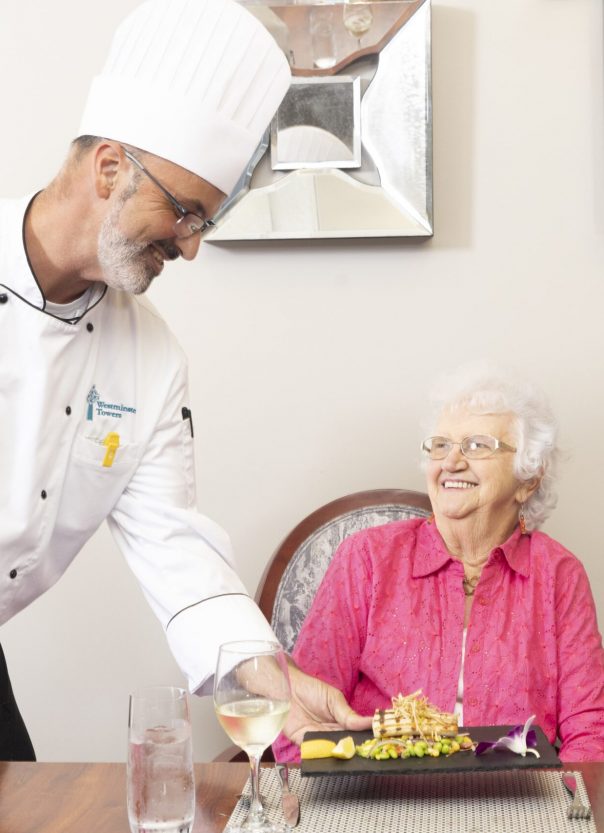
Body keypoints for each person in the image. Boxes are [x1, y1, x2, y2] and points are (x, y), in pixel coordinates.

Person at [0, 0, 370, 760]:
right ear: (109, 168)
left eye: (204, 222)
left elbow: (174, 542)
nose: (192, 247)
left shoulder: (151, 358)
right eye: (185, 212)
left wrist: (273, 679)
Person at [274, 365, 604, 762]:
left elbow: (590, 733)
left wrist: (558, 801)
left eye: (477, 445)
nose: (451, 461)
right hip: (375, 793)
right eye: (441, 445)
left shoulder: (558, 575)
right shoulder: (367, 559)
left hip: (516, 794)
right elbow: (301, 721)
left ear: (529, 478)